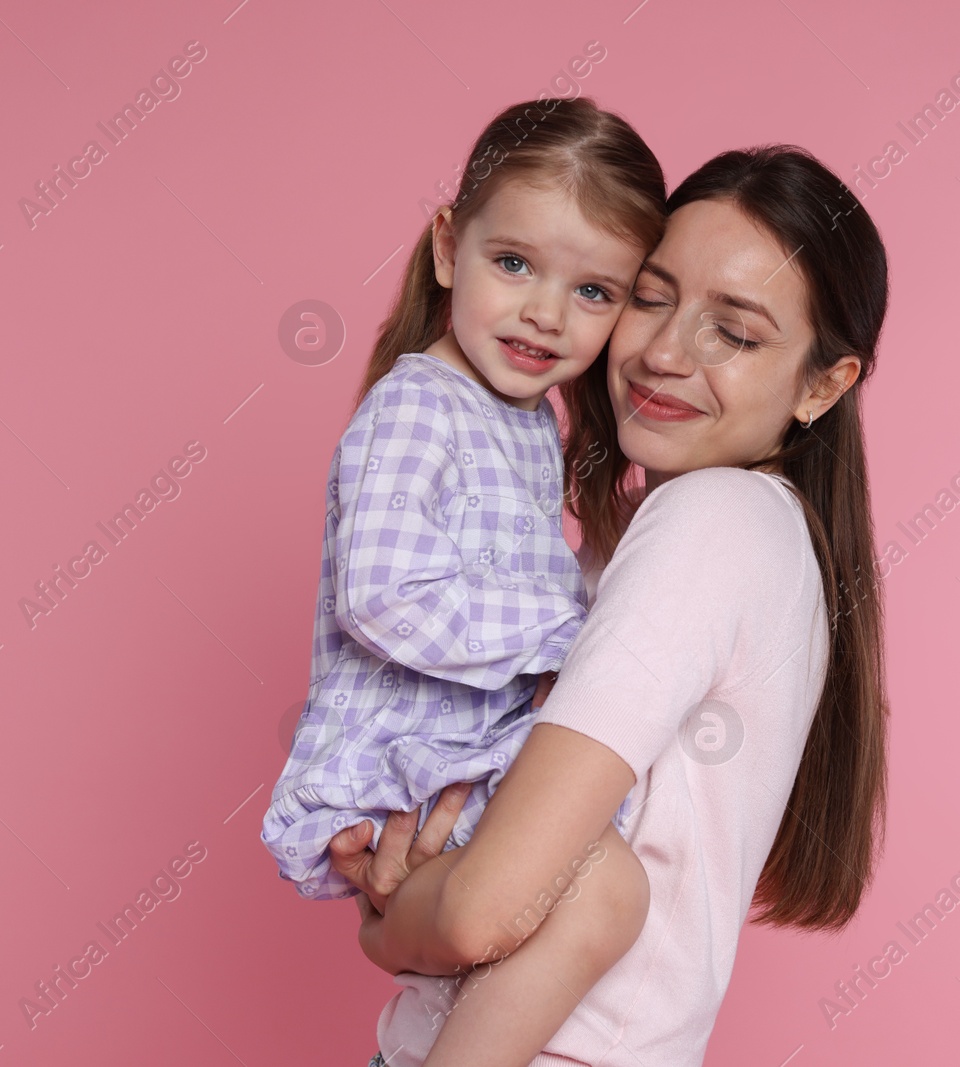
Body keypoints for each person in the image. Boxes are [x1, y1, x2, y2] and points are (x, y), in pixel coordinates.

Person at [332, 143, 892, 1066]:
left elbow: (479, 911)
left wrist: (388, 927)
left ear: (825, 385)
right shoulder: (687, 535)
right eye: (651, 295)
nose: (665, 354)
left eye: (737, 333)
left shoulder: (710, 521)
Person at [260, 97, 668, 1066]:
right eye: (514, 262)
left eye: (594, 291)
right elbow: (386, 593)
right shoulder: (416, 404)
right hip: (405, 756)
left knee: (568, 903)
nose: (543, 312)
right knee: (601, 888)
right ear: (449, 244)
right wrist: (580, 632)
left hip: (459, 749)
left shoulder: (526, 420)